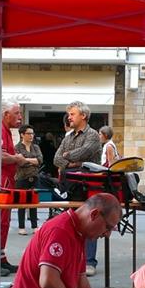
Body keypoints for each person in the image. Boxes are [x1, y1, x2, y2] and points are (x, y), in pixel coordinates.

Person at [0, 102, 35, 276]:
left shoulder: (3, 130)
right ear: (6, 114)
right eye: (17, 113)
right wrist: (18, 158)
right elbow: (1, 156)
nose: (20, 117)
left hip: (3, 178)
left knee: (3, 221)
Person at [55, 101, 103, 275]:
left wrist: (69, 158)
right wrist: (73, 161)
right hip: (71, 185)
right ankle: (73, 259)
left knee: (90, 222)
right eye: (69, 114)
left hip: (90, 185)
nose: (69, 117)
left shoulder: (92, 135)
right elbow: (56, 158)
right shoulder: (68, 137)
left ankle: (89, 261)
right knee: (72, 221)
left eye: (72, 114)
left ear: (83, 116)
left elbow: (86, 153)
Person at [14, 124, 43, 235]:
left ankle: (34, 225)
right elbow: (19, 162)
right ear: (22, 134)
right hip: (22, 177)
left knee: (33, 202)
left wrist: (26, 159)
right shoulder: (17, 147)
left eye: (32, 133)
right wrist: (32, 161)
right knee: (22, 203)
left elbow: (40, 160)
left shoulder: (36, 147)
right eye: (28, 133)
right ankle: (21, 226)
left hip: (34, 177)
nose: (31, 136)